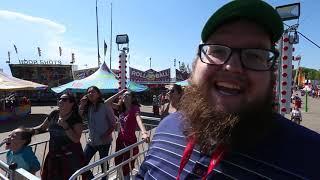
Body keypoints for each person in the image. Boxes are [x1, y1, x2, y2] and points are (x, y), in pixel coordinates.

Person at [136, 0, 320, 179]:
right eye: (217, 51)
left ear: (272, 76)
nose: (232, 67)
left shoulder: (312, 158)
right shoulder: (165, 128)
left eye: (255, 55)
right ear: (195, 65)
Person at [31, 92, 86, 180]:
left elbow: (76, 139)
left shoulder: (75, 118)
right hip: (53, 154)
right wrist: (26, 132)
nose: (60, 101)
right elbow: (42, 128)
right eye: (59, 99)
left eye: (64, 99)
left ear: (71, 103)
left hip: (68, 158)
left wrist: (66, 127)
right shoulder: (54, 114)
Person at [106, 89, 149, 180]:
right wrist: (119, 93)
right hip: (120, 141)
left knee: (126, 166)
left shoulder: (134, 108)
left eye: (128, 95)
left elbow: (138, 119)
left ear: (132, 98)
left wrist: (144, 132)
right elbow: (106, 103)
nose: (125, 96)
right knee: (118, 162)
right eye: (124, 95)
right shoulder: (121, 107)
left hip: (130, 142)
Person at [79, 86, 116, 180]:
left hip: (104, 142)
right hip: (91, 141)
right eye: (88, 92)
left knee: (103, 164)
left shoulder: (105, 105)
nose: (90, 93)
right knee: (81, 162)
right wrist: (82, 105)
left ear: (98, 94)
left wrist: (106, 134)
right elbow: (79, 118)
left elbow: (113, 123)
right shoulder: (89, 107)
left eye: (93, 92)